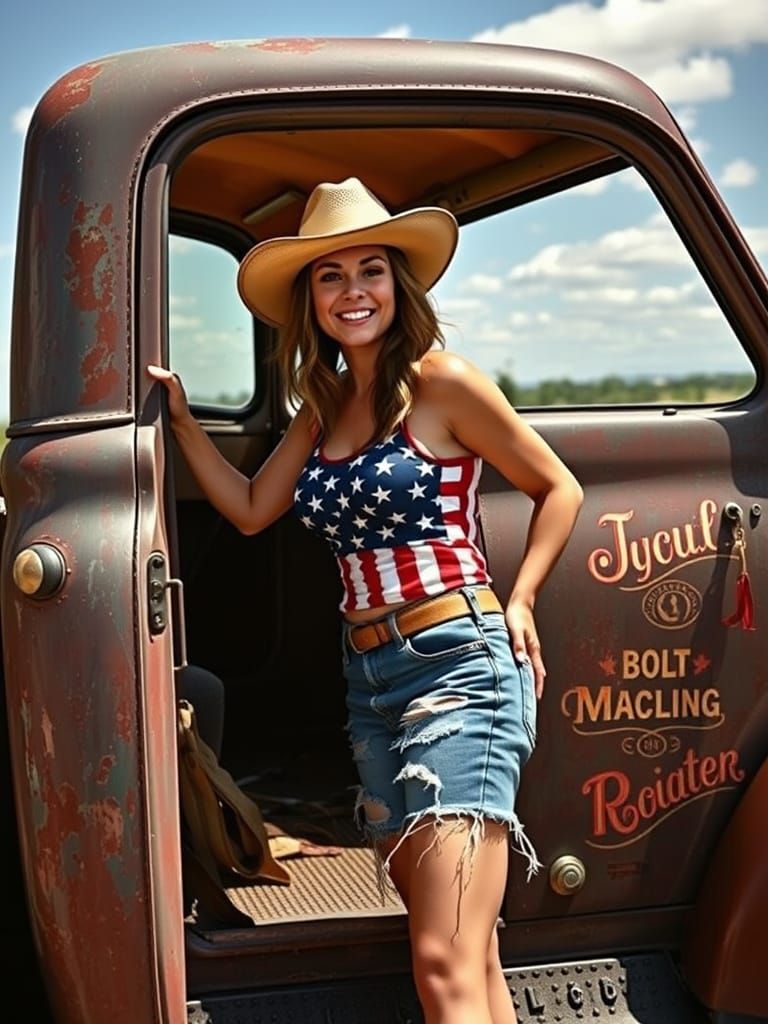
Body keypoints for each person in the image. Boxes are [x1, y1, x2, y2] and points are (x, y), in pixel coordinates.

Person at [149, 177, 583, 1024]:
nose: (354, 292)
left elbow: (556, 487)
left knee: (440, 960)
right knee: (466, 950)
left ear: (399, 284)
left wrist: (522, 599)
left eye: (371, 270)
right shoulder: (320, 410)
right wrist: (181, 422)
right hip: (372, 684)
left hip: (460, 666)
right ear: (310, 301)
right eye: (331, 277)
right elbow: (245, 512)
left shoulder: (444, 384)